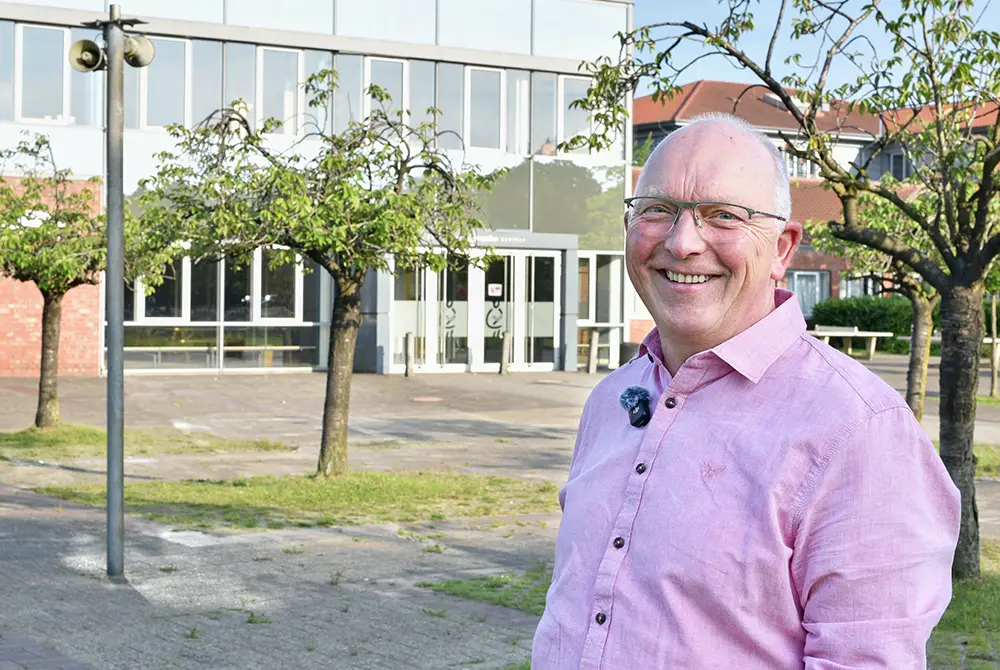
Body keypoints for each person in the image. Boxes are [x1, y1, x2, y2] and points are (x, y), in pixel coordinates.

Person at [531, 113, 960, 669]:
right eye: (657, 209)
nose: (682, 243)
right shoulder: (611, 400)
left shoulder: (859, 431)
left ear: (782, 249)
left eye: (723, 215)